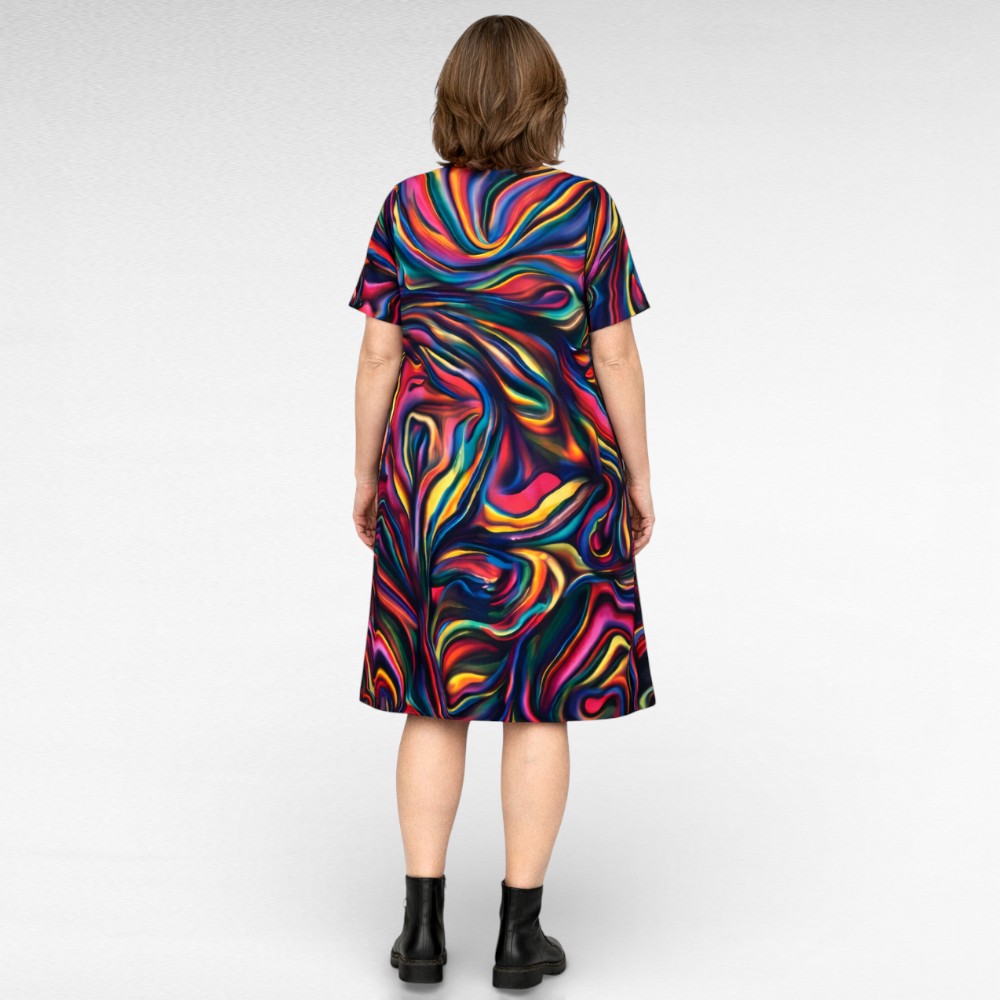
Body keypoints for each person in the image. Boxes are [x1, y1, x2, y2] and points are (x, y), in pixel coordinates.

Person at [347, 14, 656, 990]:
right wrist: (638, 475)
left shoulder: (409, 207)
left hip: (433, 487)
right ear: (546, 106)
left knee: (433, 702)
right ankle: (520, 938)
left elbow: (380, 355)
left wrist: (367, 475)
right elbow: (614, 355)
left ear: (450, 102)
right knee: (539, 705)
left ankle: (420, 935)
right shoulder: (586, 211)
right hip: (558, 486)